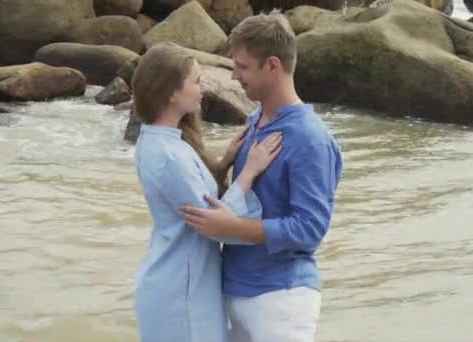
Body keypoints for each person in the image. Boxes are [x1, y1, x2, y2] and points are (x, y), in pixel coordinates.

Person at [179, 12, 343, 342]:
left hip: (280, 298)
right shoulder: (255, 120)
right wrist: (224, 163)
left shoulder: (309, 138)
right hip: (235, 288)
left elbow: (310, 228)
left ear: (272, 65)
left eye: (242, 66)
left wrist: (232, 229)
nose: (234, 76)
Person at [131, 42, 282, 342]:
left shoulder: (156, 140)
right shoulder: (170, 155)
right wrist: (250, 171)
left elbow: (190, 196)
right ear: (172, 93)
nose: (203, 88)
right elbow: (215, 224)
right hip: (182, 292)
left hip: (177, 280)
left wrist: (223, 161)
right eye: (196, 81)